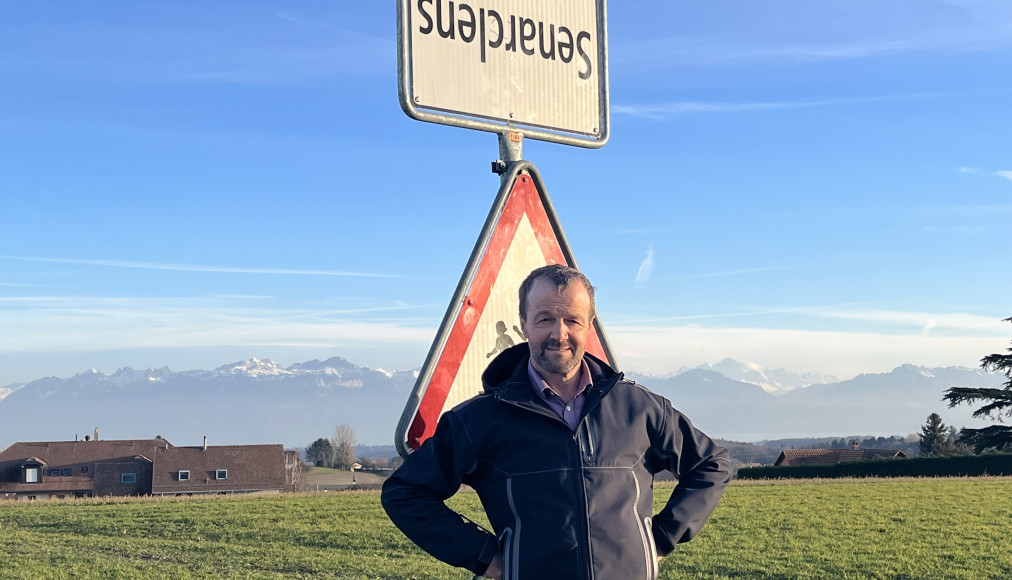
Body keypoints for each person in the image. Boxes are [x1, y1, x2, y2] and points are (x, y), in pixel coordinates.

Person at [382, 265, 732, 580]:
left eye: (572, 320)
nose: (559, 333)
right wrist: (486, 557)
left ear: (589, 325)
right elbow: (405, 493)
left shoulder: (636, 406)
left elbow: (712, 464)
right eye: (545, 318)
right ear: (524, 324)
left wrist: (662, 538)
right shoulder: (479, 419)